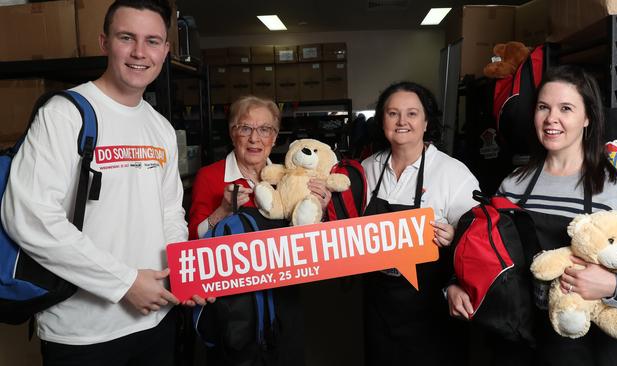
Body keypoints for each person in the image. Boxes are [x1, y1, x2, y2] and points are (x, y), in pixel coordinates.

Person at [1, 1, 187, 365]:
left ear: (165, 50)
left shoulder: (160, 127)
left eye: (152, 41)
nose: (139, 52)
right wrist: (125, 283)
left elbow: (169, 210)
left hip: (157, 319)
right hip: (82, 334)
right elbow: (28, 217)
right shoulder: (64, 114)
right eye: (126, 37)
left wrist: (181, 274)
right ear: (104, 42)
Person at [447, 65, 617, 366]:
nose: (551, 118)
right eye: (544, 107)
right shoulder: (513, 184)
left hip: (586, 350)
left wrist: (613, 287)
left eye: (565, 108)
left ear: (587, 118)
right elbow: (483, 253)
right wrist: (454, 285)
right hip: (516, 343)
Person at [187, 95, 332, 366]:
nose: (255, 138)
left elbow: (306, 242)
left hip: (283, 296)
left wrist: (319, 211)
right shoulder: (211, 176)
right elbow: (194, 242)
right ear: (233, 134)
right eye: (245, 128)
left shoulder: (289, 178)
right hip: (234, 305)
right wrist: (222, 213)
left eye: (265, 129)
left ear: (275, 138)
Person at [361, 81, 480, 365]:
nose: (402, 121)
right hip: (378, 304)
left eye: (412, 114)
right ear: (382, 121)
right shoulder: (366, 169)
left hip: (432, 308)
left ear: (427, 122)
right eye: (393, 114)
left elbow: (478, 241)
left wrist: (455, 236)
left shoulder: (453, 173)